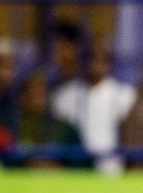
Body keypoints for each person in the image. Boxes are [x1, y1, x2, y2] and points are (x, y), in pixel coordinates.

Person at [51, 38, 136, 173]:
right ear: (82, 61)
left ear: (109, 63)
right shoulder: (65, 96)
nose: (96, 64)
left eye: (102, 59)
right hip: (76, 171)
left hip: (111, 170)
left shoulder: (123, 95)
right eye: (91, 57)